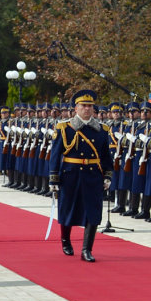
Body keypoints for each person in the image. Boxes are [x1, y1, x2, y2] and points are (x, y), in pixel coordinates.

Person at [49, 89, 115, 262]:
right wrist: (53, 178)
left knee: (93, 212)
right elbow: (55, 155)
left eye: (90, 106)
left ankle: (87, 249)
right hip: (71, 175)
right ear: (76, 108)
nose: (87, 109)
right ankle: (65, 240)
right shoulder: (65, 128)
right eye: (83, 105)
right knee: (68, 209)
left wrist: (108, 176)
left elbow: (106, 156)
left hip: (93, 176)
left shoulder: (102, 130)